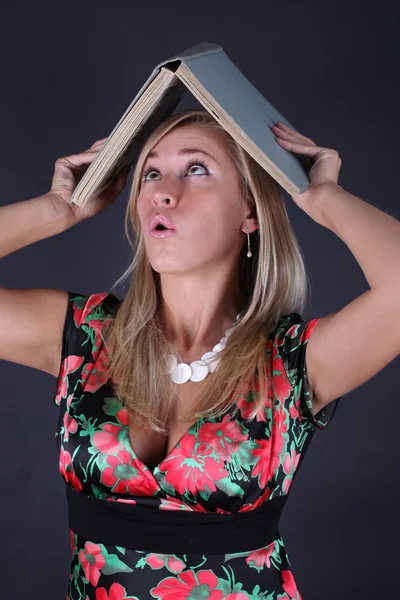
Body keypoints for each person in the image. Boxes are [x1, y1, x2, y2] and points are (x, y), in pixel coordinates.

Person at [1, 108, 400, 600]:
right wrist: (55, 209)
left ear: (249, 211)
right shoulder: (83, 336)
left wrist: (323, 196)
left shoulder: (292, 361)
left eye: (196, 169)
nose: (163, 192)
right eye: (151, 172)